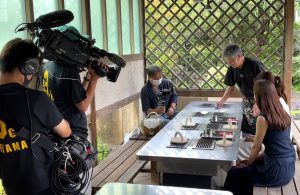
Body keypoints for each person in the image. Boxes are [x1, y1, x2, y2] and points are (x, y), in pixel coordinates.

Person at [41, 25, 108, 194]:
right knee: (78, 185)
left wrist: (87, 77)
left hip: (56, 135)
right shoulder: (67, 69)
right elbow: (83, 105)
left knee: (62, 183)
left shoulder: (49, 66)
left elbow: (77, 96)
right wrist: (95, 79)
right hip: (73, 139)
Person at [0, 38, 71, 195]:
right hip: (43, 185)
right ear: (28, 67)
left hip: (11, 187)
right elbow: (66, 132)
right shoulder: (37, 99)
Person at [224, 79, 295, 195]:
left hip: (275, 171)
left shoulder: (263, 117)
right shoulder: (281, 112)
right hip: (288, 167)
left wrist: (248, 165)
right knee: (242, 166)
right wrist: (249, 162)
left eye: (254, 94)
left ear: (258, 97)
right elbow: (274, 147)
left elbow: (256, 147)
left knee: (234, 173)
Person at [216, 44, 265, 137]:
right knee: (247, 126)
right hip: (246, 100)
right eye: (228, 61)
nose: (230, 63)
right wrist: (222, 100)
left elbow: (265, 86)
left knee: (259, 126)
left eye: (232, 61)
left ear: (239, 56)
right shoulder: (232, 68)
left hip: (261, 99)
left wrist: (258, 103)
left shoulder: (255, 65)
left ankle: (260, 147)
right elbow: (230, 87)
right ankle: (247, 146)